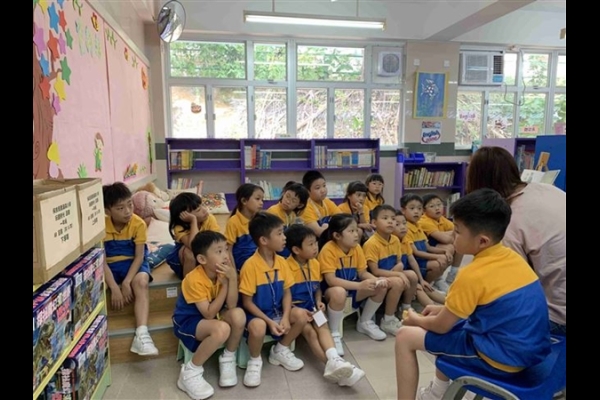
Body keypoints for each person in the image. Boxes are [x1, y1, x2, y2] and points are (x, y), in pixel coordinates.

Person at [395, 188, 551, 400]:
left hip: (500, 359)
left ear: (483, 241)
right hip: (528, 351)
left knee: (405, 336)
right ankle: (438, 392)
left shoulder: (472, 274)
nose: (452, 235)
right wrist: (443, 310)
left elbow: (441, 326)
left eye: (458, 231)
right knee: (449, 324)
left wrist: (415, 319)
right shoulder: (513, 258)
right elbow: (486, 307)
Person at [467, 146, 566, 336]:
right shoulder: (547, 189)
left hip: (558, 316)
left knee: (477, 323)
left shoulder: (506, 221)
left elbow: (514, 288)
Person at [284, 224, 366, 387]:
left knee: (323, 326)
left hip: (312, 306)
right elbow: (284, 296)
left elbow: (317, 289)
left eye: (316, 243)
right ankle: (333, 366)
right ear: (296, 249)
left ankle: (335, 360)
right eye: (310, 244)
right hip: (295, 310)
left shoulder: (315, 263)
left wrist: (318, 301)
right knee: (311, 333)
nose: (315, 247)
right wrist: (300, 309)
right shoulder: (285, 266)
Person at [172, 231, 246, 399]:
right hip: (188, 321)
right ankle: (190, 372)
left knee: (238, 315)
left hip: (213, 315)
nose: (225, 255)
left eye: (226, 249)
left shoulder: (224, 273)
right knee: (222, 329)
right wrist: (225, 286)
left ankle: (228, 358)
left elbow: (232, 305)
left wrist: (232, 279)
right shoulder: (194, 279)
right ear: (202, 259)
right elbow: (208, 314)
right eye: (218, 251)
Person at [238, 212, 308, 387]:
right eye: (279, 233)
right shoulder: (250, 266)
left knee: (301, 315)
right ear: (263, 240)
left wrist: (285, 317)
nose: (284, 237)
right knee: (258, 327)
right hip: (258, 314)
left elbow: (287, 293)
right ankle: (255, 360)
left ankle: (280, 349)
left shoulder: (282, 262)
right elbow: (247, 302)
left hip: (278, 311)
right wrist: (269, 321)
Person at [102, 182, 158, 356]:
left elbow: (139, 257)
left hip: (133, 262)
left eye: (130, 205)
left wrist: (126, 282)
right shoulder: (100, 226)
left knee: (141, 282)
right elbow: (101, 262)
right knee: (97, 286)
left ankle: (142, 333)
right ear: (107, 210)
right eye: (120, 208)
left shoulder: (138, 223)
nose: (127, 211)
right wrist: (114, 287)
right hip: (109, 265)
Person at [318, 214, 390, 343]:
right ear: (337, 235)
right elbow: (331, 280)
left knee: (380, 286)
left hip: (352, 287)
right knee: (339, 292)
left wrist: (375, 280)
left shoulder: (356, 248)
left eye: (356, 230)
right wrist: (359, 286)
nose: (356, 235)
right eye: (351, 231)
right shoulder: (328, 250)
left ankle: (365, 321)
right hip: (331, 291)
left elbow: (362, 272)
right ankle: (334, 332)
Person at [362, 205, 417, 335]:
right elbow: (375, 271)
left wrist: (399, 269)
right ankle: (388, 320)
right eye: (385, 218)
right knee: (398, 282)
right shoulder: (371, 243)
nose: (390, 221)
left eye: (393, 219)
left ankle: (405, 309)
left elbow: (399, 262)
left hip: (391, 272)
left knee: (412, 275)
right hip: (378, 277)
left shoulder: (395, 240)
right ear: (374, 222)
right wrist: (398, 274)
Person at [393, 211, 446, 306]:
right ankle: (432, 310)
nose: (403, 227)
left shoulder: (405, 240)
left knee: (426, 287)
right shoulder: (392, 243)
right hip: (398, 277)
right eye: (397, 224)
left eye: (404, 223)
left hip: (409, 276)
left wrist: (421, 280)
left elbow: (412, 260)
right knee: (419, 288)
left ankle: (452, 305)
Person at [400, 194, 450, 293]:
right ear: (403, 210)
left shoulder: (417, 225)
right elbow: (416, 253)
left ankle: (432, 284)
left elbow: (428, 247)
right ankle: (425, 286)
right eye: (412, 208)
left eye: (419, 209)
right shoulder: (405, 228)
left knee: (446, 256)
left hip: (423, 260)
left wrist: (444, 251)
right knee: (437, 264)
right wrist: (437, 257)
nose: (416, 211)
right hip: (414, 263)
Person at [166, 192, 221, 279]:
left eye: (202, 205)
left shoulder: (209, 219)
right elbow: (193, 246)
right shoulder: (179, 227)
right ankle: (188, 284)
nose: (204, 210)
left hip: (204, 252)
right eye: (198, 210)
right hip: (182, 262)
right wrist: (193, 221)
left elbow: (216, 241)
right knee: (189, 253)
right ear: (185, 216)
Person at [419, 194, 463, 286]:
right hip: (426, 248)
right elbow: (446, 239)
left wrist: (449, 234)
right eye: (432, 206)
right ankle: (438, 279)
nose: (437, 208)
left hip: (437, 244)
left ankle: (452, 275)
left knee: (459, 243)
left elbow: (459, 231)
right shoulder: (424, 221)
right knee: (449, 247)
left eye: (439, 204)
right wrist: (450, 234)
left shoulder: (441, 219)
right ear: (424, 210)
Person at [225, 183, 264, 272]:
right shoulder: (233, 222)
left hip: (259, 263)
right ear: (244, 201)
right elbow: (228, 250)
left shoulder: (261, 219)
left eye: (262, 199)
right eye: (257, 199)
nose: (261, 203)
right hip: (242, 266)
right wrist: (233, 272)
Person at [266, 181, 310, 258]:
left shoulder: (293, 215)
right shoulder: (273, 211)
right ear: (283, 193)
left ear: (300, 205)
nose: (287, 201)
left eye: (293, 201)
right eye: (287, 196)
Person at [301, 170, 341, 238]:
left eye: (324, 186)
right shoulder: (306, 207)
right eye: (317, 188)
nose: (323, 190)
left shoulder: (327, 201)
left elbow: (343, 220)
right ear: (307, 191)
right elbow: (319, 232)